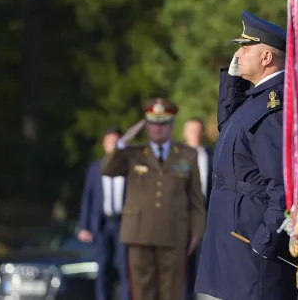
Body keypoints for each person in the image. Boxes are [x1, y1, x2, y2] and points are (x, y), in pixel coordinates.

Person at [195, 11, 296, 300]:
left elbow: (285, 187)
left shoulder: (273, 108)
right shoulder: (255, 100)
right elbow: (229, 133)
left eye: (245, 47)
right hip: (235, 245)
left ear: (266, 58)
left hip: (253, 249)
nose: (238, 53)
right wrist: (233, 84)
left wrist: (266, 239)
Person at [102, 99, 206, 300]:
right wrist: (124, 141)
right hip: (139, 234)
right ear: (146, 125)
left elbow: (196, 199)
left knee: (171, 292)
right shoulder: (133, 153)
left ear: (171, 125)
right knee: (142, 292)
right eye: (153, 123)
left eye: (163, 124)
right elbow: (107, 169)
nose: (158, 129)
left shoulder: (186, 155)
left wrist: (196, 232)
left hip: (174, 233)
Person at [78, 128, 130, 300]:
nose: (113, 146)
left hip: (124, 224)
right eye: (110, 143)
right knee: (103, 268)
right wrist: (84, 226)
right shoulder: (95, 167)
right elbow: (88, 196)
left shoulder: (129, 167)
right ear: (104, 144)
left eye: (117, 143)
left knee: (125, 269)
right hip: (103, 224)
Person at [181, 118, 212, 300]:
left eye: (198, 130)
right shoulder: (175, 155)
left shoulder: (211, 155)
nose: (195, 134)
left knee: (204, 267)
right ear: (185, 133)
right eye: (192, 130)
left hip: (206, 217)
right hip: (182, 219)